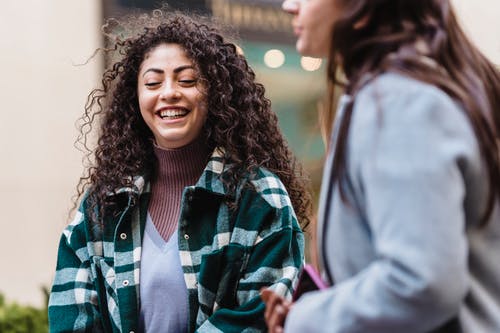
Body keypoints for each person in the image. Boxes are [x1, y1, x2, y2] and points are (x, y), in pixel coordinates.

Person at [48, 10, 311, 333]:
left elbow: (258, 317)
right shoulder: (101, 203)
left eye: (187, 80)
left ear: (216, 93)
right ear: (136, 97)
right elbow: (71, 317)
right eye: (153, 82)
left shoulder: (259, 197)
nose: (169, 92)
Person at [261, 0, 500, 332]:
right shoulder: (400, 92)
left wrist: (306, 319)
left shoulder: (399, 101)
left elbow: (422, 282)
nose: (289, 5)